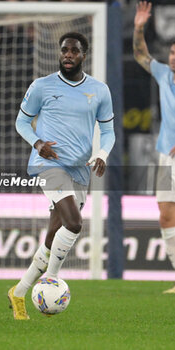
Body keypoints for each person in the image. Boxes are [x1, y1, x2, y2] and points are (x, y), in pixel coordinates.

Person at [8, 32, 115, 320]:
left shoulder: (99, 90)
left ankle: (18, 292)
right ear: (59, 53)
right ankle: (51, 279)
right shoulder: (41, 87)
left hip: (80, 169)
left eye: (74, 51)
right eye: (64, 50)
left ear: (84, 54)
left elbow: (108, 132)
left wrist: (102, 154)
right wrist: (38, 143)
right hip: (48, 166)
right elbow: (21, 121)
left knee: (53, 235)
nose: (68, 55)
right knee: (75, 223)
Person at [133, 2, 175, 293]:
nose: (173, 58)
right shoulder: (163, 75)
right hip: (166, 154)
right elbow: (140, 55)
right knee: (165, 214)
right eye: (172, 53)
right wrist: (138, 27)